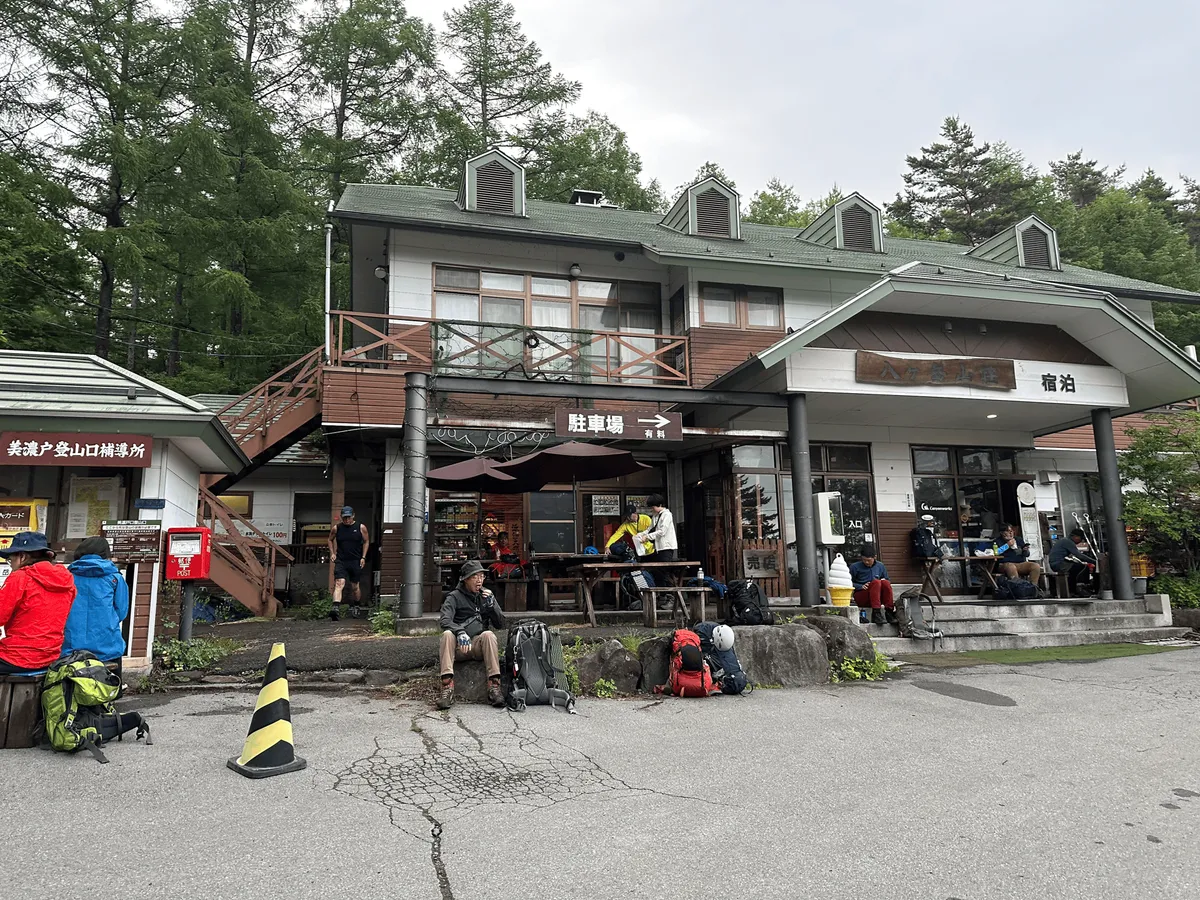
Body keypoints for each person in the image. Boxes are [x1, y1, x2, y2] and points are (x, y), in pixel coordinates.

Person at [0, 532, 77, 674]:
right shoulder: (67, 580)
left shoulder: (20, 577)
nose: (11, 566)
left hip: (17, 656)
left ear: (22, 557)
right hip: (51, 656)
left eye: (11, 560)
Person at [437, 559, 507, 710]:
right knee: (447, 634)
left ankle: (494, 687)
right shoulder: (454, 597)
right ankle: (447, 687)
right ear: (465, 579)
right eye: (475, 577)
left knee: (489, 634)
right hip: (459, 647)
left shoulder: (486, 595)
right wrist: (459, 631)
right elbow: (444, 620)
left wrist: (492, 606)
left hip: (477, 645)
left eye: (482, 576)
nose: (479, 580)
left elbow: (501, 624)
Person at [63, 536, 130, 662]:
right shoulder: (115, 577)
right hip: (107, 646)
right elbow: (121, 612)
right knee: (109, 681)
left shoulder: (67, 577)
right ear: (105, 553)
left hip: (71, 646)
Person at [328, 506, 369, 621]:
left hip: (355, 560)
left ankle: (356, 605)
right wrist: (332, 553)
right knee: (339, 583)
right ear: (341, 517)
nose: (346, 520)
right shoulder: (337, 528)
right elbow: (330, 539)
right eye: (344, 518)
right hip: (341, 560)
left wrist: (363, 557)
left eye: (349, 517)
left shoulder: (361, 527)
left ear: (353, 516)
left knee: (355, 586)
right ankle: (335, 609)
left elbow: (366, 542)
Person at [848, 543, 896, 626]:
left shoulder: (880, 566)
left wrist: (882, 582)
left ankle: (889, 611)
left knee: (885, 583)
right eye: (864, 560)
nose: (866, 562)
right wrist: (860, 586)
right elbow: (847, 583)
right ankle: (876, 613)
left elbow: (886, 580)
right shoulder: (854, 567)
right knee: (876, 582)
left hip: (877, 596)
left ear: (875, 557)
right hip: (862, 594)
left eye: (869, 560)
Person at [1048, 529, 1097, 596]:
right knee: (1083, 567)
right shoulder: (1068, 542)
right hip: (1058, 564)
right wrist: (1094, 561)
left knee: (1076, 568)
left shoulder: (1064, 540)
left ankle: (1074, 589)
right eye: (1080, 538)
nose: (1080, 541)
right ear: (1075, 536)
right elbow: (1079, 555)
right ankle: (1079, 588)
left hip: (1057, 563)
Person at [637, 495, 677, 563]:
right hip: (657, 547)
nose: (652, 509)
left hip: (666, 547)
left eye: (653, 507)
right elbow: (649, 529)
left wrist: (647, 537)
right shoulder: (655, 516)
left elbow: (662, 531)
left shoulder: (667, 514)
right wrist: (640, 534)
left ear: (660, 505)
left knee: (663, 569)